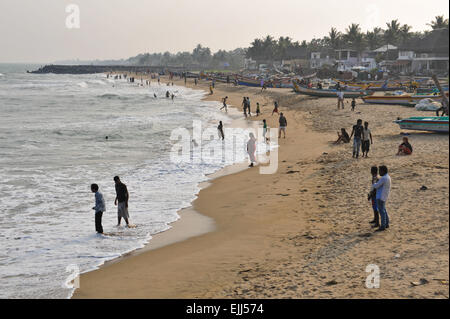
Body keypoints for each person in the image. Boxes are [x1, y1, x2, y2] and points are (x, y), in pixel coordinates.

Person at [371, 165, 391, 231]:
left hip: (380, 196)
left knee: (382, 211)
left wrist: (373, 183)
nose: (379, 172)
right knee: (384, 210)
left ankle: (383, 226)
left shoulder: (383, 178)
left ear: (383, 171)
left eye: (380, 171)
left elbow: (376, 186)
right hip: (384, 195)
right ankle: (386, 223)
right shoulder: (388, 177)